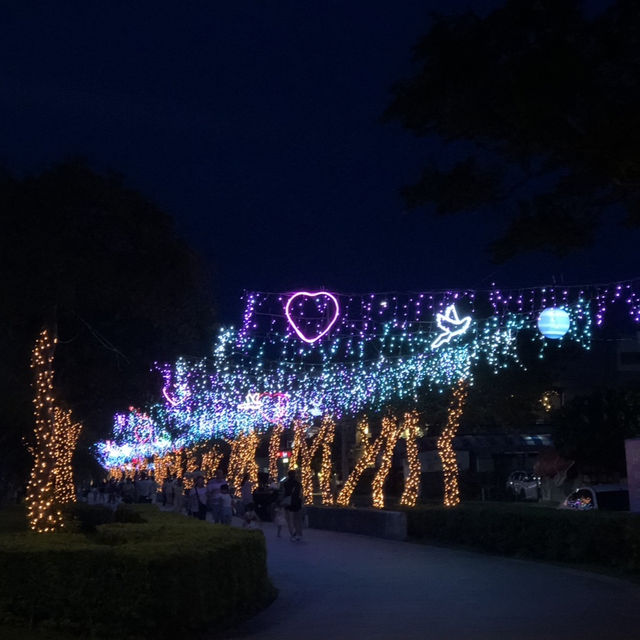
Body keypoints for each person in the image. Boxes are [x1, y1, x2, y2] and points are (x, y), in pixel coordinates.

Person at [281, 469, 303, 541]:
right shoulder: (298, 484)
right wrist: (302, 502)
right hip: (296, 502)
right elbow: (300, 494)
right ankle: (298, 533)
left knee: (290, 520)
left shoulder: (285, 483)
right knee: (297, 519)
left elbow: (284, 493)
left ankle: (292, 534)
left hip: (288, 503)